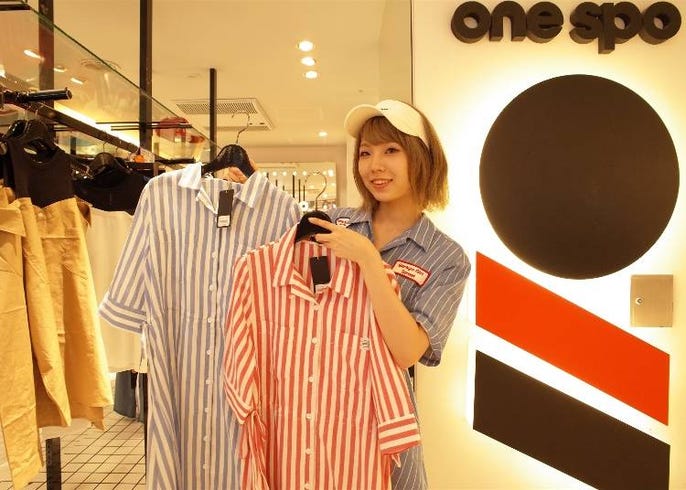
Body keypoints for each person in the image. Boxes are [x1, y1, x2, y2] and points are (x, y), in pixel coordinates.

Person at [309, 99, 471, 489]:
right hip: (313, 406)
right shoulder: (333, 225)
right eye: (366, 152)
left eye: (391, 151)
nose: (374, 166)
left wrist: (368, 260)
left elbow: (407, 351)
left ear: (422, 158)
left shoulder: (445, 256)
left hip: (385, 421)